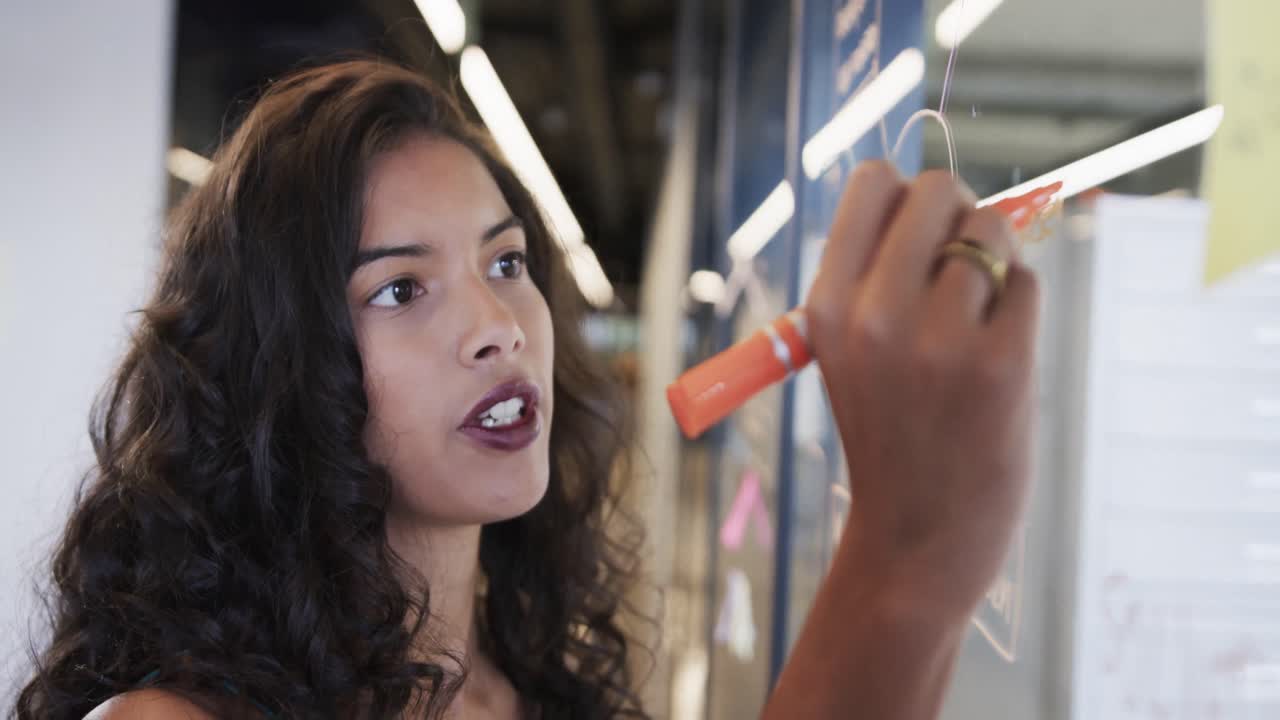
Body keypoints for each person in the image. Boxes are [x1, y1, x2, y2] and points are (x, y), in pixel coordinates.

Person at [14, 58, 1037, 719]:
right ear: (274, 363)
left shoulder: (534, 690)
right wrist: (907, 559)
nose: (497, 329)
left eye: (506, 266)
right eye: (402, 288)